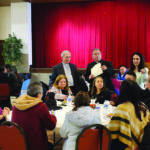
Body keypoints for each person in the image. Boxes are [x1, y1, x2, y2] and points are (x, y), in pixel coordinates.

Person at [12, 81, 57, 150]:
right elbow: (51, 126)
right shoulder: (40, 106)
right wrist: (53, 116)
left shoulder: (17, 103)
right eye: (42, 92)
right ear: (39, 95)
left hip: (18, 144)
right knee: (50, 146)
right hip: (35, 145)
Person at [108, 80, 149, 150]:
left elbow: (111, 131)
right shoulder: (143, 105)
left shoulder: (122, 108)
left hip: (128, 146)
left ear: (123, 92)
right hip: (142, 143)